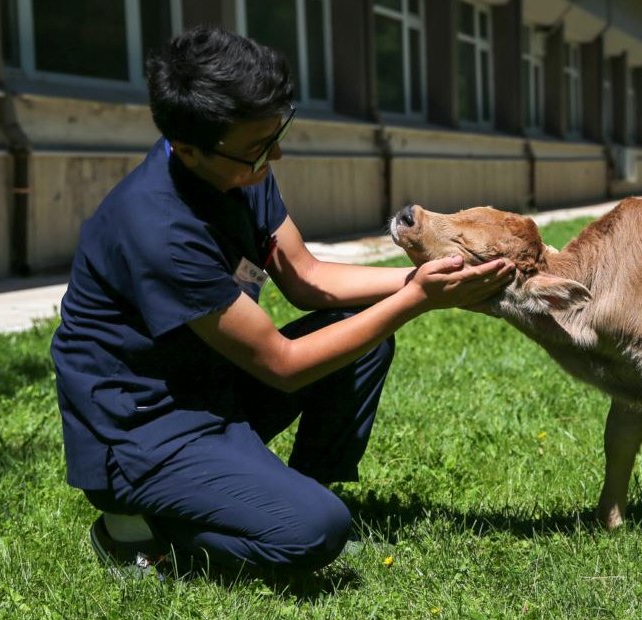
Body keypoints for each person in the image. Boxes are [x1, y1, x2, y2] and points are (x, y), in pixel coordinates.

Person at [49, 26, 513, 577]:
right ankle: (135, 532)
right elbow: (284, 366)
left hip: (209, 385)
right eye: (259, 148)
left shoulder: (236, 167)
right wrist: (418, 299)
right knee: (317, 534)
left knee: (360, 339)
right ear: (188, 148)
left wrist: (434, 275)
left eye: (276, 135)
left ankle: (299, 491)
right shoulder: (161, 229)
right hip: (144, 429)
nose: (276, 154)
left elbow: (308, 279)